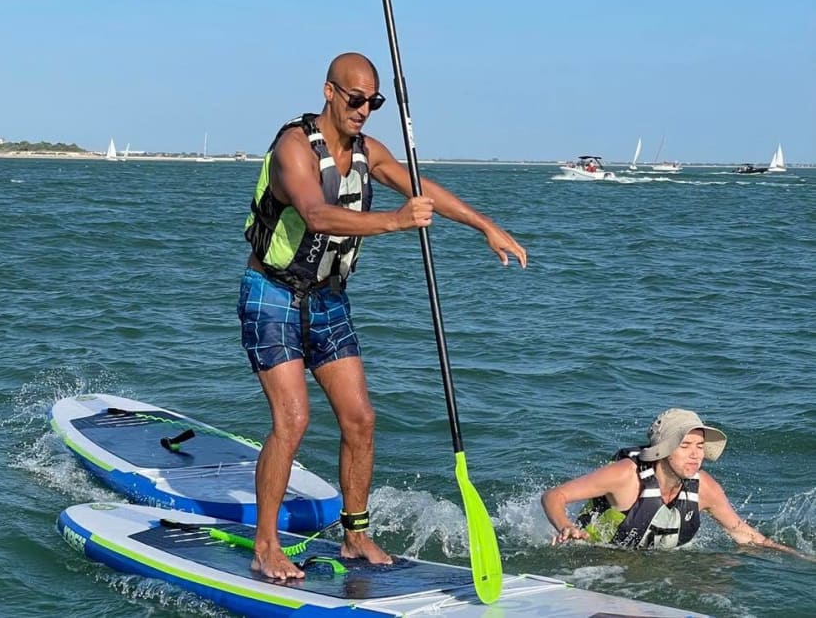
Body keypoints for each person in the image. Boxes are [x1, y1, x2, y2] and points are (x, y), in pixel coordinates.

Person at [238, 52, 527, 579]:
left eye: (373, 101)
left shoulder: (369, 151)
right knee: (293, 419)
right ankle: (265, 546)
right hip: (272, 294)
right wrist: (395, 222)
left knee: (360, 419)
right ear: (329, 92)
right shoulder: (293, 148)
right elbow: (317, 213)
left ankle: (355, 535)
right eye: (355, 99)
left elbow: (422, 189)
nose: (364, 109)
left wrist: (483, 224)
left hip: (328, 297)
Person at [541, 408, 809, 558]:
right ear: (664, 449)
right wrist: (566, 526)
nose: (696, 454)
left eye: (701, 446)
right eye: (685, 446)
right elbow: (554, 496)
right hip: (592, 558)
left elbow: (745, 534)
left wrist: (799, 557)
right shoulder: (625, 475)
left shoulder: (705, 487)